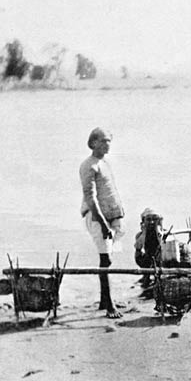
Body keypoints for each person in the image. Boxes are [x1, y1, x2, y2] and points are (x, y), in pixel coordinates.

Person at [79, 127, 125, 318]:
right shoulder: (89, 165)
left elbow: (109, 189)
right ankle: (109, 306)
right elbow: (91, 198)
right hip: (98, 218)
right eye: (104, 141)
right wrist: (104, 225)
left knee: (109, 258)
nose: (107, 145)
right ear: (93, 143)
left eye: (109, 141)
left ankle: (105, 300)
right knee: (105, 260)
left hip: (111, 216)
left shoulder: (104, 163)